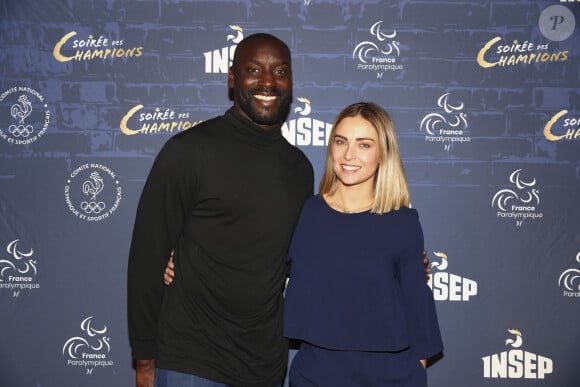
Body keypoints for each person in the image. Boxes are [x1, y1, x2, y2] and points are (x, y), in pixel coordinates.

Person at [127, 33, 314, 387]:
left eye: (280, 71)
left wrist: (396, 258)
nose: (268, 81)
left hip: (266, 367)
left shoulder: (300, 168)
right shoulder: (188, 152)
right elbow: (147, 257)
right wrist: (145, 358)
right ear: (232, 78)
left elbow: (296, 258)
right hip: (191, 361)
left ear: (291, 81)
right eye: (254, 69)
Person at [283, 102, 443, 386]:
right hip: (315, 373)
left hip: (390, 375)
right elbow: (253, 261)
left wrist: (415, 371)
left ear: (383, 153)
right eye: (341, 141)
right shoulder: (304, 213)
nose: (349, 154)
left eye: (364, 145)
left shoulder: (402, 222)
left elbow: (419, 309)